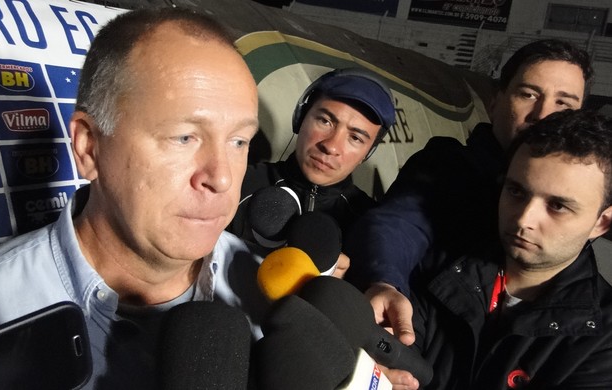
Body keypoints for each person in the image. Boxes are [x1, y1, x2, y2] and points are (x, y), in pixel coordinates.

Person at [0, 8, 267, 387]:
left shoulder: (262, 282)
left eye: (239, 141)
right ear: (89, 147)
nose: (220, 177)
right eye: (184, 137)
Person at [345, 39, 593, 350]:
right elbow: (399, 225)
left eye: (563, 104)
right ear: (495, 102)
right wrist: (384, 280)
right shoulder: (446, 167)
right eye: (528, 94)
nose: (542, 114)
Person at [410, 109, 612, 389]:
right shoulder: (439, 263)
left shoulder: (603, 341)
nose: (523, 220)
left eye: (558, 206)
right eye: (516, 192)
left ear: (601, 224)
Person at [227, 67, 396, 276]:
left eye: (355, 138)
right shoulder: (238, 185)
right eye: (325, 121)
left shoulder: (371, 229)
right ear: (301, 118)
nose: (331, 146)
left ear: (367, 154)